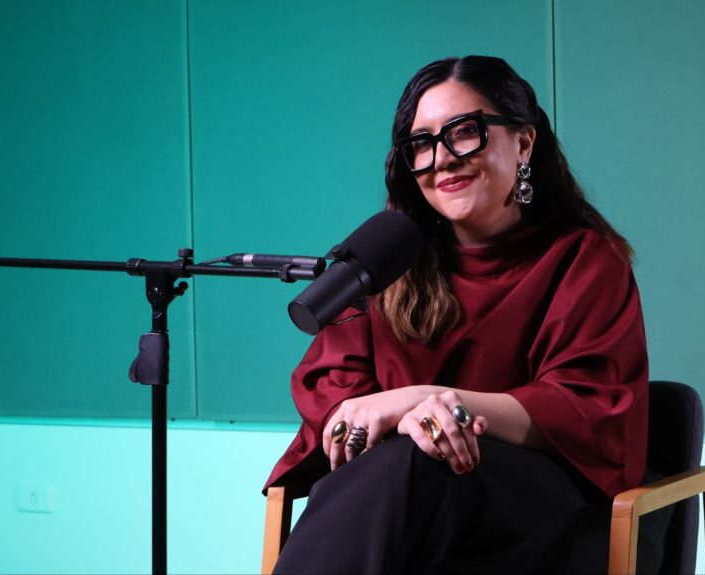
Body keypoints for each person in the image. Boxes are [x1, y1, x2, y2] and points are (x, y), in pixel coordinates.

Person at [265, 55, 653, 574]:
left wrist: (426, 401)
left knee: (415, 458)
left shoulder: (584, 259)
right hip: (403, 511)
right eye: (421, 143)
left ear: (523, 143)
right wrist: (400, 420)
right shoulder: (389, 260)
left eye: (464, 132)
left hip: (544, 516)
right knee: (407, 458)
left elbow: (584, 408)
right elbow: (333, 386)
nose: (442, 159)